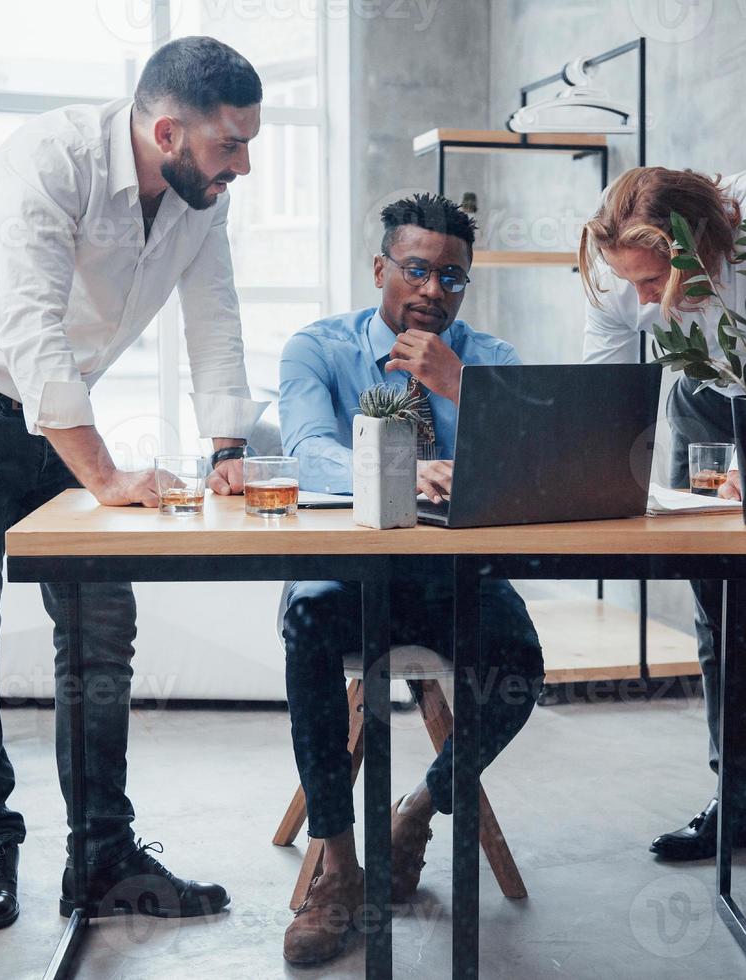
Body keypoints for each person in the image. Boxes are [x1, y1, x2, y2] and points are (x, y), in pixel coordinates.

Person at [0, 36, 267, 930]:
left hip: (63, 406)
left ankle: (102, 854)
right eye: (230, 146)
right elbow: (29, 324)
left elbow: (214, 312)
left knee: (102, 622)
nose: (243, 167)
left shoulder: (198, 192)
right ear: (168, 131)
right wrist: (103, 477)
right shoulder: (48, 158)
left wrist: (227, 444)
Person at [275, 193, 545, 965]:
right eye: (417, 270)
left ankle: (418, 809)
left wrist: (461, 386)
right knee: (308, 630)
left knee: (520, 668)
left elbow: (537, 461)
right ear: (380, 269)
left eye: (452, 278)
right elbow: (303, 451)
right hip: (346, 574)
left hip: (456, 575)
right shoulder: (318, 349)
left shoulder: (489, 360)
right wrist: (399, 465)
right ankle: (336, 862)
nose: (432, 291)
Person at [579, 167, 746, 909]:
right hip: (701, 398)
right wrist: (593, 481)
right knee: (720, 618)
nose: (637, 299)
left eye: (651, 279)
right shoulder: (614, 271)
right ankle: (733, 807)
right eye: (626, 282)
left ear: (700, 249)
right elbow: (606, 393)